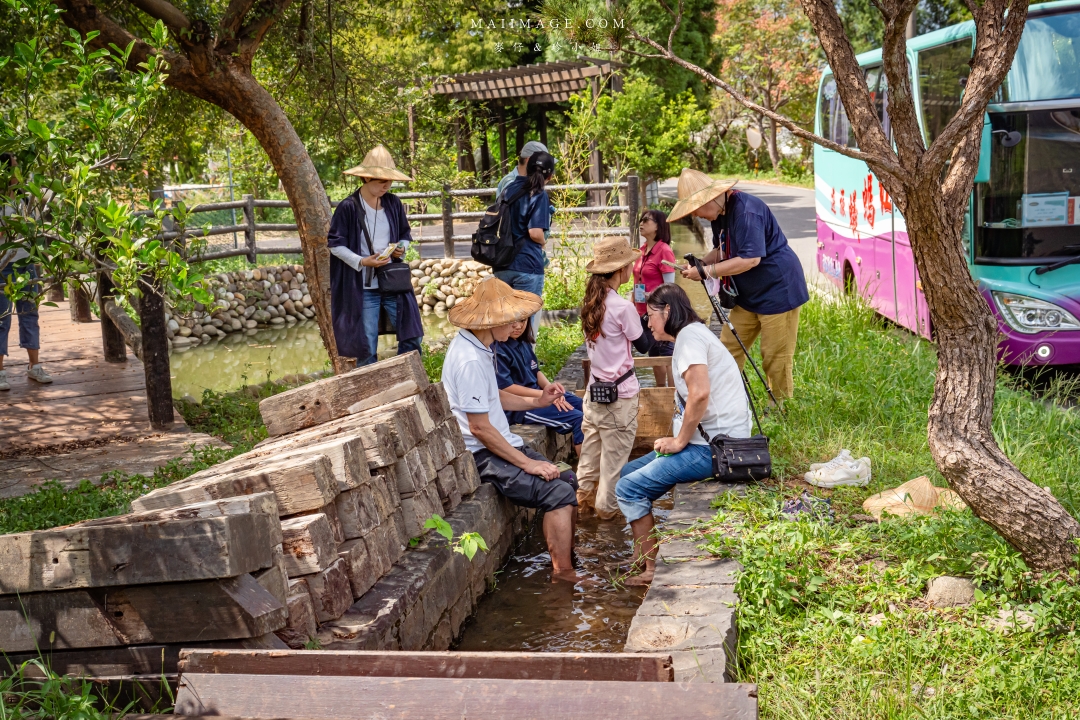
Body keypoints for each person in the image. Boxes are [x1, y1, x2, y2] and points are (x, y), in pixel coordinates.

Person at [442, 276, 580, 582]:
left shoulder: (481, 345)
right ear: (491, 321)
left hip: (501, 441)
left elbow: (496, 396)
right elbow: (478, 427)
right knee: (557, 491)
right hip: (482, 453)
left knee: (568, 478)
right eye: (510, 319)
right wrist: (528, 463)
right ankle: (563, 574)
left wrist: (538, 401)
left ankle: (568, 554)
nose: (516, 325)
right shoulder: (469, 360)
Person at [616, 283, 750, 585]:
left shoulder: (689, 339)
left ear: (668, 311)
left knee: (629, 489)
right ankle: (643, 553)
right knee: (628, 471)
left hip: (716, 449)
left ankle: (650, 570)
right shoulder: (693, 335)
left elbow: (700, 393)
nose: (648, 323)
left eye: (651, 315)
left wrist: (678, 442)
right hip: (712, 441)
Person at [668, 169, 808, 401]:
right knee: (727, 349)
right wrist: (701, 263)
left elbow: (750, 259)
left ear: (711, 198)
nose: (698, 216)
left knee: (774, 357)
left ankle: (781, 410)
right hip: (747, 294)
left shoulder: (746, 211)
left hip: (778, 290)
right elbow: (721, 249)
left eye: (697, 209)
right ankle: (725, 402)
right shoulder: (719, 214)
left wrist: (706, 271)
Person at [328, 145, 423, 367]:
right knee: (366, 345)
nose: (386, 186)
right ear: (366, 178)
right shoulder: (348, 207)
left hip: (393, 282)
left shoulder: (393, 202)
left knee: (412, 335)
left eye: (389, 181)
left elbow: (404, 234)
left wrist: (401, 247)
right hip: (362, 286)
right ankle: (370, 391)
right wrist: (362, 261)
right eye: (382, 181)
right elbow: (335, 244)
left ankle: (407, 376)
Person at [576, 236, 642, 520]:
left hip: (593, 396)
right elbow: (644, 342)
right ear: (620, 270)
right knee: (613, 469)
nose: (631, 269)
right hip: (619, 398)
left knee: (589, 465)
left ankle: (582, 516)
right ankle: (607, 532)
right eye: (629, 265)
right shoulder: (622, 307)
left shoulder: (591, 301)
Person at [0, 152, 52, 392]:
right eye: (12, 169)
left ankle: (35, 366)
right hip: (1, 266)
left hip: (25, 264)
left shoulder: (26, 200)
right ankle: (0, 372)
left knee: (29, 314)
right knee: (1, 319)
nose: (16, 173)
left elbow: (39, 226)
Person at [495, 318, 584, 456]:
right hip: (521, 407)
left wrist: (552, 389)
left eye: (523, 321)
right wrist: (544, 396)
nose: (518, 326)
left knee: (587, 408)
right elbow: (506, 388)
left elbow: (535, 371)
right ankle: (588, 474)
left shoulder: (524, 342)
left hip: (540, 395)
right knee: (579, 419)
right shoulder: (498, 349)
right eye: (512, 322)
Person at [496, 151, 555, 336]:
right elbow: (535, 232)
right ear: (550, 176)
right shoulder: (538, 194)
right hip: (527, 266)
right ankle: (525, 364)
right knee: (524, 329)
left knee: (504, 326)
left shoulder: (508, 189)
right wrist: (543, 241)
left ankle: (503, 363)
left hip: (501, 264)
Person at [632, 210, 677, 387]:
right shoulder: (642, 250)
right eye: (640, 220)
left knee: (665, 354)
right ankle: (660, 391)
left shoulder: (664, 251)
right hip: (642, 311)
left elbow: (670, 288)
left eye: (646, 220)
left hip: (659, 312)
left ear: (658, 225)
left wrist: (650, 295)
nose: (641, 223)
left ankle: (674, 394)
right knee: (653, 353)